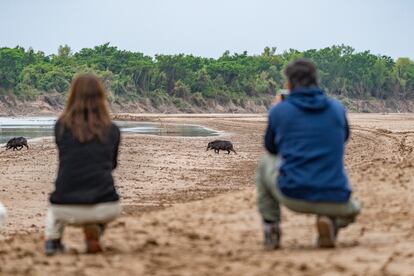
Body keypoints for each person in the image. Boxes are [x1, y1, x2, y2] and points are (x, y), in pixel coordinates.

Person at [256, 59, 361, 249]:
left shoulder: (280, 110)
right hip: (335, 198)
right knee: (355, 208)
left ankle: (271, 230)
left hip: (293, 195)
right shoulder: (337, 108)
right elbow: (343, 138)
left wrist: (277, 109)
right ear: (316, 81)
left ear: (288, 84)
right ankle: (332, 223)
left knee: (265, 162)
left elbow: (270, 148)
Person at [44, 73, 121, 255]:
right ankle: (94, 230)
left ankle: (52, 241)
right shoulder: (112, 130)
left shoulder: (60, 126)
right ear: (101, 97)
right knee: (99, 195)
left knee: (54, 208)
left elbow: (67, 158)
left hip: (64, 208)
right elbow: (112, 165)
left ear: (72, 96)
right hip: (105, 207)